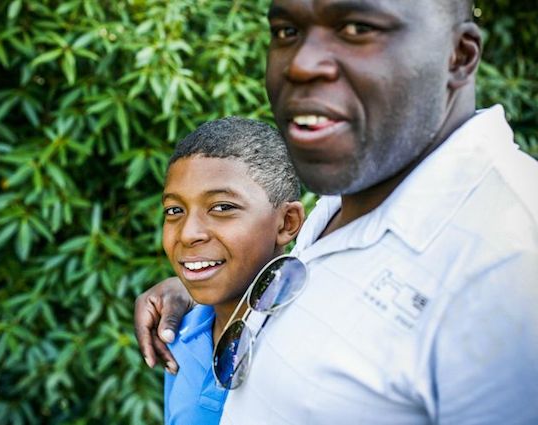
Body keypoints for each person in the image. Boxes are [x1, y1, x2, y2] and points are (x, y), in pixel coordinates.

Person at [135, 0, 538, 423]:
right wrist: (201, 294)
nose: (301, 65)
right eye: (287, 31)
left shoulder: (511, 263)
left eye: (357, 28)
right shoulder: (348, 199)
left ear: (459, 55)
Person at [160, 117, 304, 424]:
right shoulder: (179, 336)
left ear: (287, 222)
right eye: (174, 210)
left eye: (222, 207)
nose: (188, 233)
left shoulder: (308, 341)